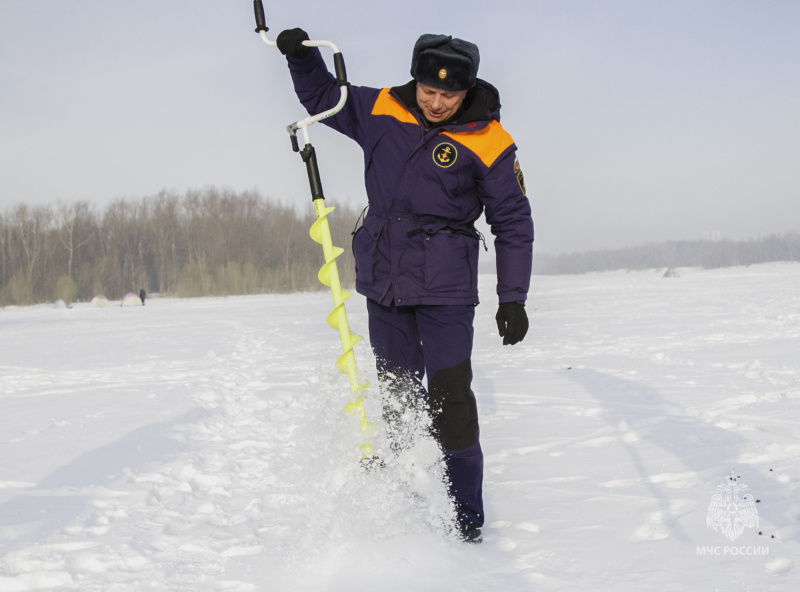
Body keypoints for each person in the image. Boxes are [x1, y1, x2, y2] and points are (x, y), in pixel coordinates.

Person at [277, 30, 533, 543]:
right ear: (415, 80)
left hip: (446, 290)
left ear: (467, 90)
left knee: (451, 402)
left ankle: (467, 523)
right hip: (384, 283)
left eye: (449, 95)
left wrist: (513, 298)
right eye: (428, 90)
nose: (436, 102)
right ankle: (405, 505)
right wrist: (302, 60)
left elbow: (513, 222)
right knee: (397, 397)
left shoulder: (490, 140)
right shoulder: (380, 109)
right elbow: (325, 97)